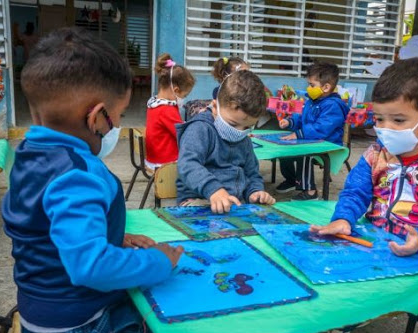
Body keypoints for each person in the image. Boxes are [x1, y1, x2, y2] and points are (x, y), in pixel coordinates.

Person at [2, 27, 183, 333]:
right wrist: (158, 261)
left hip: (44, 313)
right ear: (97, 117)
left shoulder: (29, 153)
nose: (120, 123)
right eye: (120, 114)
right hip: (77, 326)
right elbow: (92, 267)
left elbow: (44, 225)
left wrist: (112, 235)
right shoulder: (77, 174)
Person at [311, 58, 418, 333]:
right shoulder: (376, 153)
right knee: (334, 266)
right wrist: (343, 219)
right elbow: (355, 191)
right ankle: (359, 312)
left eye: (398, 120)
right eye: (380, 119)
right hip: (374, 240)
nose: (386, 129)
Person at [176, 70, 276, 214]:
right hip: (198, 202)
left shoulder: (243, 138)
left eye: (248, 127)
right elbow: (187, 164)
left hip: (233, 203)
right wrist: (214, 190)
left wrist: (255, 192)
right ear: (215, 107)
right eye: (233, 124)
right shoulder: (200, 129)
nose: (240, 131)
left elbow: (252, 173)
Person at [277, 61, 349, 200]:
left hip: (328, 143)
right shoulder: (312, 100)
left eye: (312, 85)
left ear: (326, 87)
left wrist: (299, 134)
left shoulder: (333, 106)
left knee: (305, 153)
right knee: (285, 148)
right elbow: (303, 119)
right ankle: (292, 180)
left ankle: (310, 191)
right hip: (313, 139)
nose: (308, 88)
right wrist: (290, 122)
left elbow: (322, 128)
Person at [145, 53, 194, 169]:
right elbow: (183, 134)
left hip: (154, 158)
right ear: (176, 90)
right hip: (165, 163)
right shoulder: (166, 110)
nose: (183, 99)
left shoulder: (154, 104)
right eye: (184, 95)